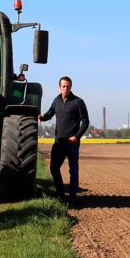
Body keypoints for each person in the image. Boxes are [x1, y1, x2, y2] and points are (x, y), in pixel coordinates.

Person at [38, 76, 90, 208]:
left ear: (71, 87)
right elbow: (50, 113)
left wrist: (77, 136)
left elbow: (85, 121)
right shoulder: (56, 101)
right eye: (63, 86)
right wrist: (42, 117)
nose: (65, 88)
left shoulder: (78, 102)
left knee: (73, 171)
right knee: (54, 168)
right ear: (59, 87)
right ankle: (61, 195)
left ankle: (72, 199)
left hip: (72, 143)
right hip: (59, 142)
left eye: (68, 86)